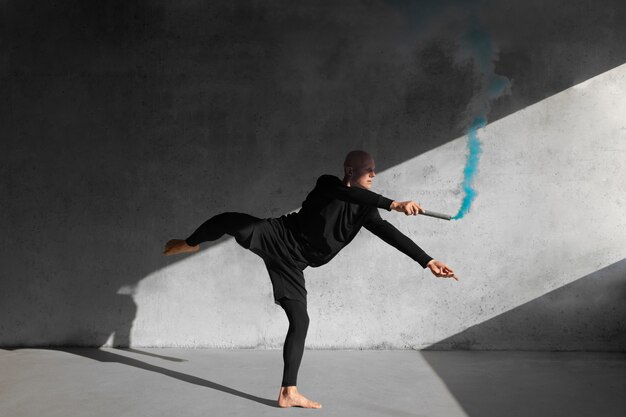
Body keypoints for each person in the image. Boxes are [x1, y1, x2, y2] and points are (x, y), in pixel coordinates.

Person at [163, 150, 458, 409]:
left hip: (294, 264)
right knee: (230, 220)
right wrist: (393, 203)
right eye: (368, 169)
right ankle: (190, 242)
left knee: (300, 321)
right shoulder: (328, 184)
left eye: (374, 170)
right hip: (277, 235)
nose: (373, 174)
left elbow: (391, 234)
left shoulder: (366, 209)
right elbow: (349, 194)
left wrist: (428, 260)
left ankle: (288, 392)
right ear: (350, 171)